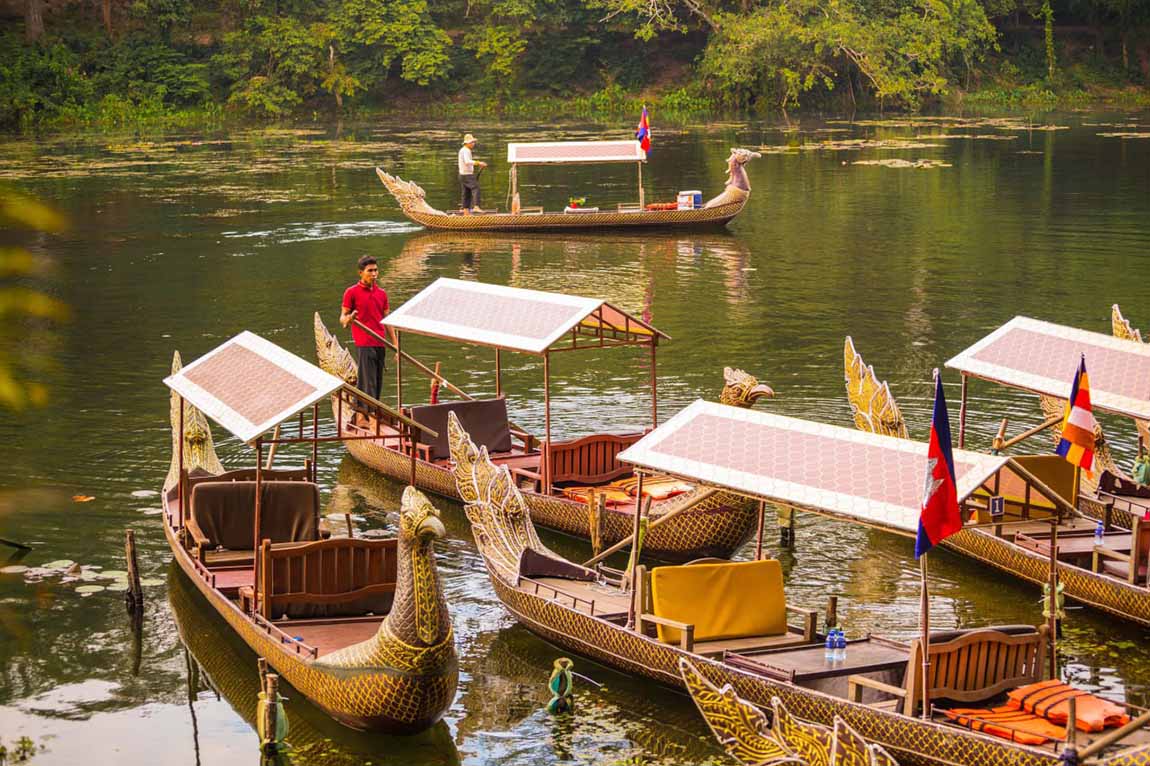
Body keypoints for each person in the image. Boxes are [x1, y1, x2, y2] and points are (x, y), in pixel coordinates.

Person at [340, 255, 389, 402]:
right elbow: (342, 318)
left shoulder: (382, 293)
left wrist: (395, 345)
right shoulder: (351, 292)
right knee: (369, 384)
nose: (374, 274)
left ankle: (364, 415)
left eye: (376, 270)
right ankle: (371, 419)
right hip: (364, 342)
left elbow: (388, 321)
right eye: (370, 271)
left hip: (380, 342)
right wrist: (350, 318)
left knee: (378, 382)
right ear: (361, 273)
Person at [458, 133, 487, 213]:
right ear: (467, 143)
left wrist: (477, 164)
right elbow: (467, 162)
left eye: (473, 142)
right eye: (472, 142)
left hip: (462, 175)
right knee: (476, 188)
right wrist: (479, 163)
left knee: (466, 192)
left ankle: (465, 210)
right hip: (467, 175)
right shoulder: (466, 150)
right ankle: (476, 206)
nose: (473, 144)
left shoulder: (462, 150)